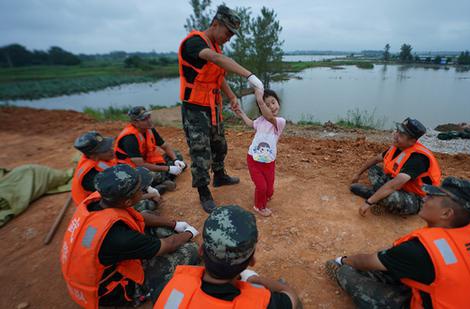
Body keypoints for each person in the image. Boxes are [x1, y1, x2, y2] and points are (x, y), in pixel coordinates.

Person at [326, 177, 470, 309]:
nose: (424, 198)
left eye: (432, 197)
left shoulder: (421, 250)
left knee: (347, 272)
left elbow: (366, 261)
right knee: (393, 262)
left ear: (447, 214)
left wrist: (342, 260)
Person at [60, 164, 200, 308]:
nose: (143, 190)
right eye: (140, 189)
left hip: (91, 270)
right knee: (191, 249)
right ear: (127, 201)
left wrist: (174, 224)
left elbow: (139, 217)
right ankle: (142, 293)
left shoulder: (99, 200)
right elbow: (166, 246)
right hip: (109, 294)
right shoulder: (118, 237)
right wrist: (189, 233)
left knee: (155, 222)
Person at [178, 4, 265, 213]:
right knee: (201, 152)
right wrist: (250, 76)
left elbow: (218, 76)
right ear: (215, 24)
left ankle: (219, 176)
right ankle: (203, 192)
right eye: (228, 33)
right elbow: (218, 60)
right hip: (195, 109)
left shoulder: (217, 46)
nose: (229, 38)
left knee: (219, 145)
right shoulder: (194, 43)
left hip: (212, 105)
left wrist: (232, 96)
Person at [154, 205, 301, 308]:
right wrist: (256, 279)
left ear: (200, 251)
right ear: (251, 261)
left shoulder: (168, 287)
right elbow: (292, 297)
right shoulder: (264, 304)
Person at [350, 117, 441, 216]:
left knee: (390, 197)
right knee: (373, 169)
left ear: (412, 141)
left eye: (401, 135)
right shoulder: (398, 146)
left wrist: (369, 202)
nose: (396, 135)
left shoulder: (418, 158)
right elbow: (376, 159)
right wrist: (357, 174)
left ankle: (374, 195)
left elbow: (394, 184)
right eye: (397, 131)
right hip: (402, 185)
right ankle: (379, 194)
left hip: (418, 197)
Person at [234, 89, 286, 217]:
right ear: (262, 109)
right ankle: (258, 206)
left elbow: (269, 116)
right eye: (267, 105)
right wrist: (241, 113)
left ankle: (265, 195)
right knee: (261, 187)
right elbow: (251, 123)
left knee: (269, 190)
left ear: (278, 102)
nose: (271, 107)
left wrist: (260, 100)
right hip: (253, 159)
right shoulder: (260, 120)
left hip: (269, 162)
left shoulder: (279, 122)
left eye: (273, 102)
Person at [114, 106, 186, 190]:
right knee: (154, 175)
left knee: (177, 154)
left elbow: (165, 146)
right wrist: (168, 168)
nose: (148, 120)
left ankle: (163, 180)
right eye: (144, 119)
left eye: (148, 116)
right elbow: (140, 165)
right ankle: (158, 184)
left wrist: (175, 160)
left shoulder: (149, 129)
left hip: (147, 162)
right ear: (135, 122)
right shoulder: (130, 138)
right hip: (132, 169)